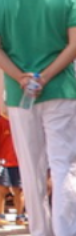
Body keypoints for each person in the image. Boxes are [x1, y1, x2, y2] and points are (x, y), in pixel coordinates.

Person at [0, 0, 76, 236]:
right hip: (61, 90)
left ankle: (39, 233)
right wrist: (48, 74)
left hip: (20, 95)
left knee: (30, 163)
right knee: (65, 162)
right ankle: (69, 234)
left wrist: (21, 78)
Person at [0, 96, 24, 225]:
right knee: (2, 189)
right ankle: (1, 215)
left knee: (19, 190)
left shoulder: (22, 120)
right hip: (4, 161)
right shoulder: (1, 120)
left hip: (19, 161)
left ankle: (20, 216)